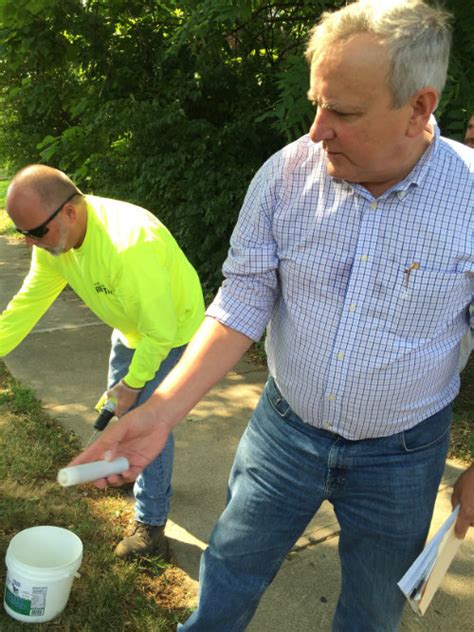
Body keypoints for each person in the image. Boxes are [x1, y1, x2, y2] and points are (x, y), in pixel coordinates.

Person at [70, 1, 473, 630]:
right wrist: (158, 411)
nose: (317, 131)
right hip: (284, 434)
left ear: (419, 108)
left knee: (373, 610)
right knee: (229, 569)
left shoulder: (471, 198)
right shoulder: (285, 176)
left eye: (342, 112)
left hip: (404, 453)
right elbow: (242, 302)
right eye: (317, 103)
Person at [0, 165, 205, 559]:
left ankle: (151, 526)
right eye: (22, 233)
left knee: (143, 421)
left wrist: (132, 386)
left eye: (35, 232)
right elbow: (29, 302)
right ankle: (134, 471)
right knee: (119, 413)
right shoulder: (54, 243)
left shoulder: (129, 244)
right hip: (130, 328)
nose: (29, 243)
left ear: (70, 213)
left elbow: (159, 332)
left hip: (172, 331)